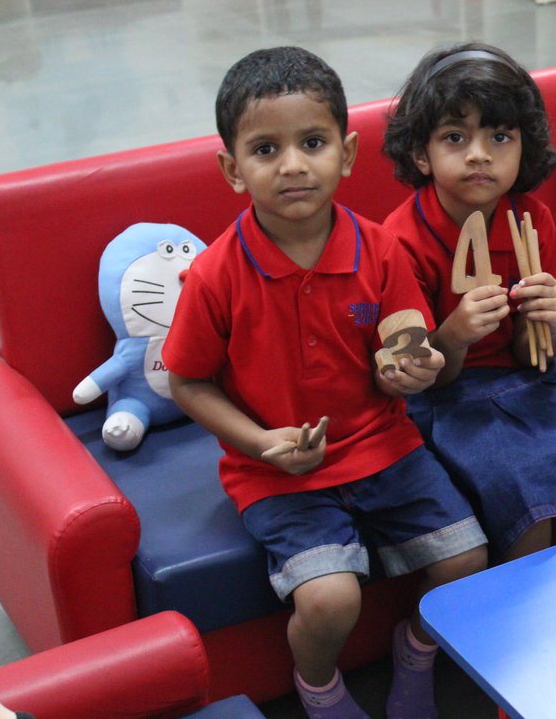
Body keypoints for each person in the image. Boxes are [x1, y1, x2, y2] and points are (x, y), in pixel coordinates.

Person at [162, 46, 488, 719]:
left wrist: (414, 368)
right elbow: (188, 381)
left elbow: (405, 346)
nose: (292, 165)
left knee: (467, 563)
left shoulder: (381, 250)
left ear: (347, 152)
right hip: (275, 474)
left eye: (312, 143)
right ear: (232, 169)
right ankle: (319, 688)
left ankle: (416, 651)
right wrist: (261, 442)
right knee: (329, 599)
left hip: (385, 449)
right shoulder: (216, 274)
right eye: (265, 149)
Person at [381, 42, 556, 563]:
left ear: (523, 148)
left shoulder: (531, 219)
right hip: (449, 397)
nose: (479, 154)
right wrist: (455, 333)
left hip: (528, 378)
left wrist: (547, 321)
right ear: (421, 153)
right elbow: (426, 379)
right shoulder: (399, 241)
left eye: (500, 136)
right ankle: (527, 601)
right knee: (520, 481)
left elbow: (537, 357)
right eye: (455, 137)